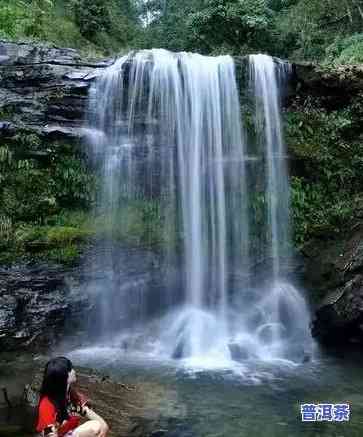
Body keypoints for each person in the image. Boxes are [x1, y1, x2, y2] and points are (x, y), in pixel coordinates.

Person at [36, 357, 109, 437]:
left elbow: (85, 411)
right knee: (94, 428)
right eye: (70, 369)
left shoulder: (70, 394)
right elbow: (48, 434)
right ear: (63, 377)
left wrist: (104, 424)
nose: (74, 371)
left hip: (69, 433)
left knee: (98, 425)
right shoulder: (47, 404)